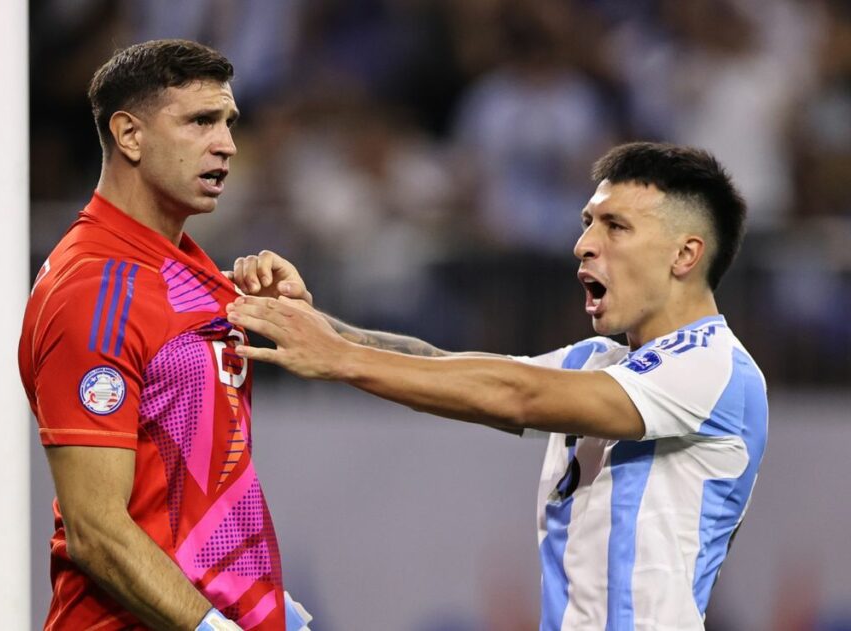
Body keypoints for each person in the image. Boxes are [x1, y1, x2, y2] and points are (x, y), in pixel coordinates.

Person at [226, 142, 767, 630]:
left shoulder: (713, 365)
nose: (583, 244)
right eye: (587, 222)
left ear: (685, 254)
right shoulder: (600, 361)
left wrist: (340, 359)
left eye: (615, 226)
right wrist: (320, 325)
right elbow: (448, 365)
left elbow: (517, 395)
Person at [18, 40, 311, 631]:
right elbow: (94, 530)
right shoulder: (94, 292)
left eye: (229, 122)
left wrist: (266, 610)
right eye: (200, 121)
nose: (227, 144)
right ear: (129, 135)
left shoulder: (194, 274)